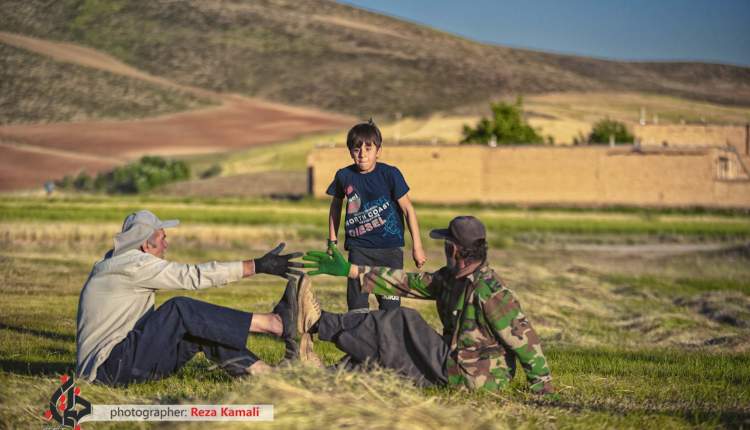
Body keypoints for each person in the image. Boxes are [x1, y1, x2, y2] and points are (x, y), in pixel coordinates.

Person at [301, 216, 555, 395]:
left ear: (453, 248)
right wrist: (352, 271)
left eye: (446, 244)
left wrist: (543, 388)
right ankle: (323, 376)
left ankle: (319, 322)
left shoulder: (491, 292)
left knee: (402, 321)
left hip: (477, 376)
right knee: (388, 357)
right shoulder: (450, 277)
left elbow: (527, 342)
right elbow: (408, 283)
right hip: (452, 364)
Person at [75, 210, 313, 386]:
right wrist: (257, 265)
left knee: (202, 328)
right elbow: (192, 276)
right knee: (180, 308)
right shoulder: (131, 265)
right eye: (162, 238)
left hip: (122, 363)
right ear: (145, 246)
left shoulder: (119, 262)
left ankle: (270, 378)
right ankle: (275, 324)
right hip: (107, 370)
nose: (166, 244)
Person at [326, 119, 426, 312]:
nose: (362, 154)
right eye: (357, 149)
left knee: (390, 310)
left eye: (368, 148)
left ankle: (385, 341)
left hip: (390, 252)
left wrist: (418, 247)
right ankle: (360, 340)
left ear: (378, 151)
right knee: (357, 308)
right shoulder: (344, 176)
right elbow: (335, 207)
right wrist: (332, 241)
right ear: (350, 151)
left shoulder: (390, 174)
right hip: (359, 250)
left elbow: (408, 209)